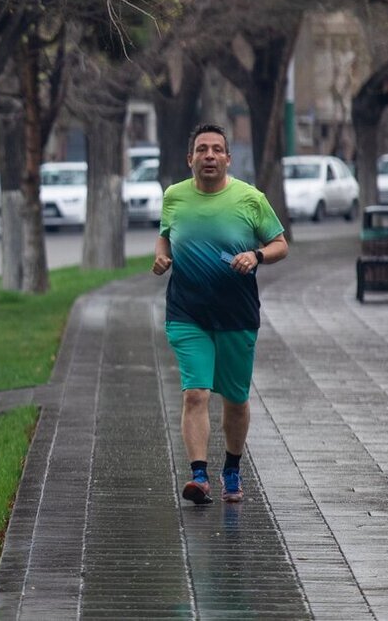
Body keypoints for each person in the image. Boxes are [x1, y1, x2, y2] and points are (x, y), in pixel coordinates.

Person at [152, 124, 288, 504]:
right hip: (186, 312)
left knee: (235, 398)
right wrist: (161, 255)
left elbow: (280, 244)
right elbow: (166, 233)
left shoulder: (250, 198)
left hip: (237, 313)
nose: (209, 155)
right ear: (190, 159)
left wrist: (256, 255)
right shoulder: (174, 196)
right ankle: (199, 476)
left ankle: (231, 467)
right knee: (195, 393)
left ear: (228, 158)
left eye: (216, 150)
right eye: (201, 149)